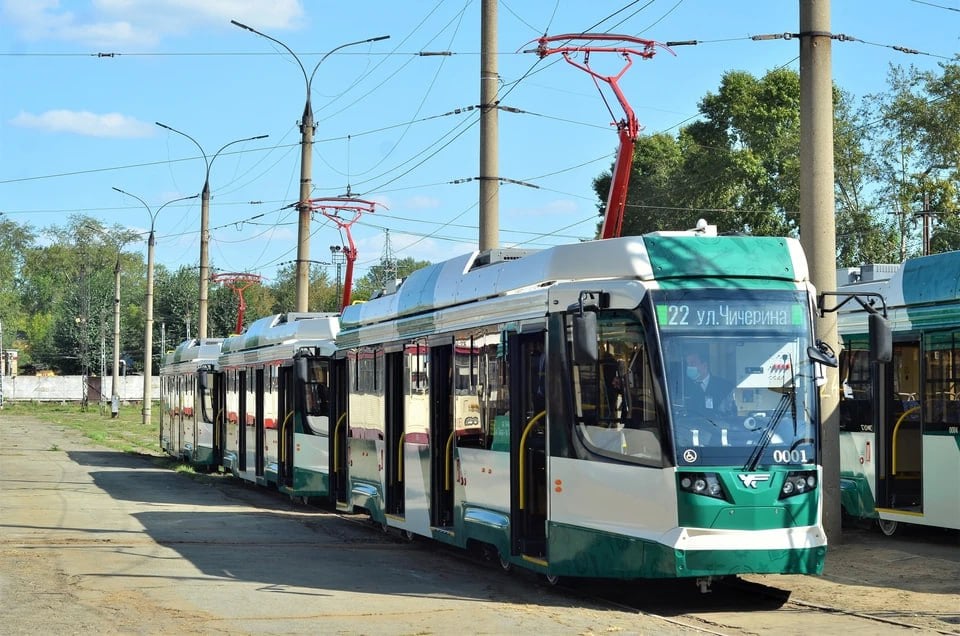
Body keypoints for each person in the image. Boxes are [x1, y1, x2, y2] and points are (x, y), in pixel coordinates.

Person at [684, 348, 736, 416]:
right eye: (688, 364)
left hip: (717, 425)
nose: (689, 367)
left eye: (692, 363)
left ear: (705, 365)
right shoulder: (684, 387)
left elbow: (731, 412)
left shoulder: (725, 386)